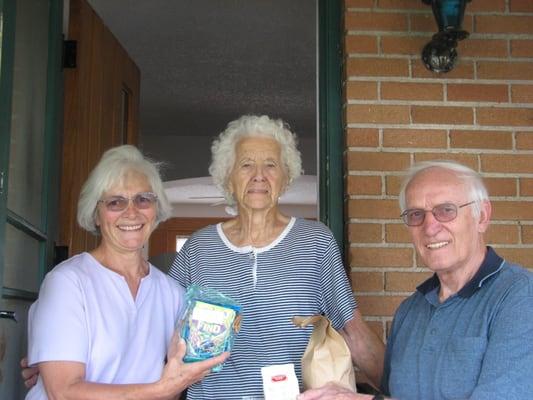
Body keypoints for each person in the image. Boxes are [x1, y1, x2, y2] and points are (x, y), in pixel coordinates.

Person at [168, 115, 385, 399]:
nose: (259, 175)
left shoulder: (315, 242)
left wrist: (397, 391)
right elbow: (166, 340)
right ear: (228, 177)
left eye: (270, 165)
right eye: (246, 164)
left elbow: (352, 329)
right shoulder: (198, 248)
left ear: (285, 178)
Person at [298, 160, 533, 400]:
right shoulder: (410, 311)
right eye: (416, 214)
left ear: (482, 216)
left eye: (446, 210)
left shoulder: (520, 297)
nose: (430, 227)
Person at [24, 145, 228, 400]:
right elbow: (63, 392)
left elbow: (175, 380)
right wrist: (163, 389)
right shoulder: (67, 282)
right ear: (96, 215)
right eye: (115, 202)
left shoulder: (172, 293)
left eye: (143, 199)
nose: (131, 212)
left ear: (156, 210)